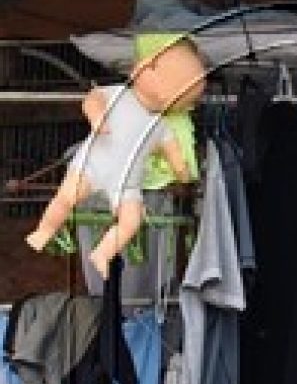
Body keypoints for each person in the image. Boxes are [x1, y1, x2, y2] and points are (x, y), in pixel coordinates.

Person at [26, 37, 206, 279]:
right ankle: (44, 229)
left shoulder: (160, 125)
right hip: (92, 166)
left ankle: (103, 252)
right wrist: (97, 117)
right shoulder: (118, 95)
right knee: (65, 198)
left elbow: (173, 151)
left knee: (131, 221)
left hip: (127, 182)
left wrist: (183, 172)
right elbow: (92, 99)